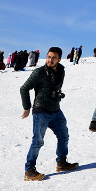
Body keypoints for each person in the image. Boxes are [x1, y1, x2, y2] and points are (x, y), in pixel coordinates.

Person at [20, 47, 78, 181]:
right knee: (38, 141)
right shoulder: (39, 72)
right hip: (41, 111)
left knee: (64, 136)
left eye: (53, 58)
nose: (50, 60)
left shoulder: (62, 70)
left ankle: (61, 163)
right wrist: (27, 107)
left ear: (59, 59)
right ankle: (29, 170)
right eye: (48, 57)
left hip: (56, 110)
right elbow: (24, 88)